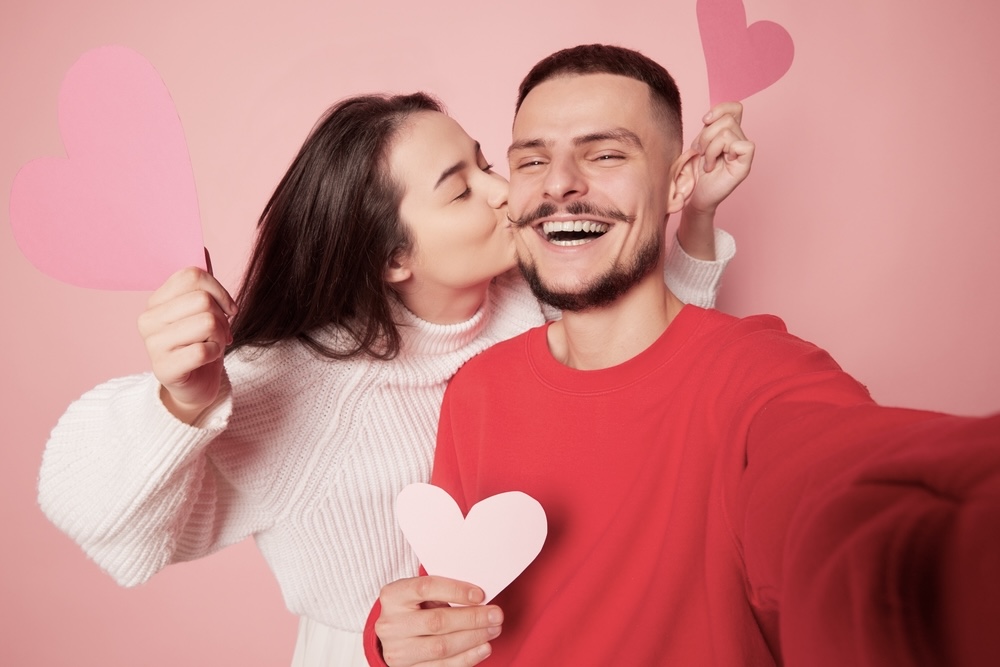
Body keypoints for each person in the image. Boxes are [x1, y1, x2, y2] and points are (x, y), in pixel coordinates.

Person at [37, 86, 752, 665]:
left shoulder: (528, 300)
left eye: (484, 164)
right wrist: (179, 399)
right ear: (391, 258)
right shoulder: (302, 382)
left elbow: (649, 361)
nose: (504, 192)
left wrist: (695, 216)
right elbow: (90, 507)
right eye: (460, 189)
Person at [366, 44, 1000, 667]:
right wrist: (392, 640)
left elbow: (845, 492)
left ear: (679, 183)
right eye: (531, 161)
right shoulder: (476, 389)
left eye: (606, 153)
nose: (558, 184)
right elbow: (451, 603)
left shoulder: (762, 373)